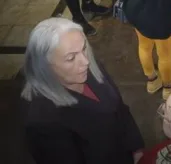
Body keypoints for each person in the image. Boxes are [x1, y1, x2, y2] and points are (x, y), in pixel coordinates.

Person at [23, 18, 144, 164]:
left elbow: (120, 109)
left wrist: (135, 145)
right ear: (45, 66)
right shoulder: (44, 122)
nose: (85, 61)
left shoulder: (90, 68)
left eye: (84, 48)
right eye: (71, 58)